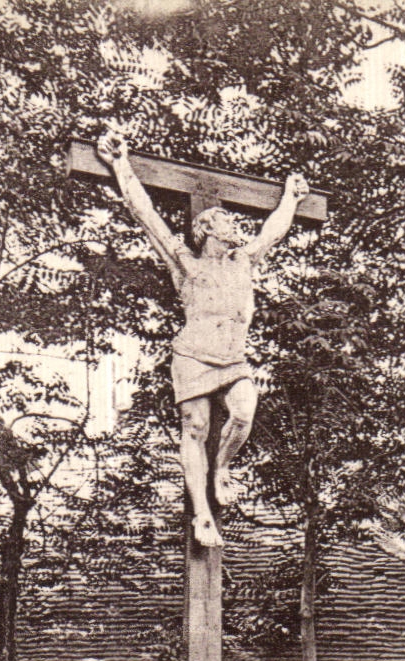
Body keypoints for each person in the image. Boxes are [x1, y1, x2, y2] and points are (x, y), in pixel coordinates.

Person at [96, 132, 308, 547]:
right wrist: (121, 164)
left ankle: (222, 468)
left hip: (232, 358)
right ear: (207, 227)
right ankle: (202, 514)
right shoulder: (186, 264)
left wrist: (291, 199)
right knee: (195, 427)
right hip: (193, 355)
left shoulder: (243, 260)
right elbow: (146, 215)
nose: (235, 225)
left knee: (244, 412)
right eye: (226, 220)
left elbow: (273, 232)